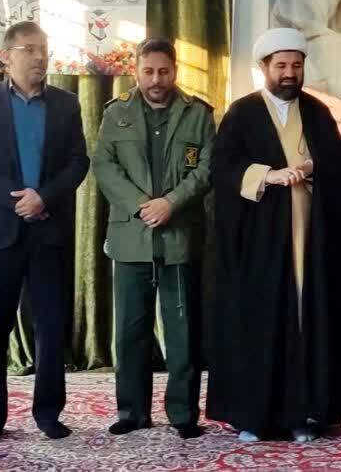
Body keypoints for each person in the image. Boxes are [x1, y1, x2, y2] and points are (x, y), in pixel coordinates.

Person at [207, 28, 341, 442]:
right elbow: (222, 169)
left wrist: (313, 168)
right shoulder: (242, 114)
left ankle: (303, 415)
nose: (290, 73)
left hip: (312, 242)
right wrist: (268, 176)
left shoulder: (317, 112)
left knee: (307, 323)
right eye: (281, 66)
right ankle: (255, 418)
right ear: (264, 68)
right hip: (261, 244)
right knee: (263, 325)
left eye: (296, 65)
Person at [0, 21, 89, 445]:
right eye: (29, 49)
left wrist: (43, 198)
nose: (39, 57)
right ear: (6, 57)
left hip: (48, 229)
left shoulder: (66, 104)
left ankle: (48, 414)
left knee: (50, 326)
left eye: (44, 49)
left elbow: (78, 161)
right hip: (2, 228)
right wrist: (13, 198)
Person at [95, 38, 215, 440]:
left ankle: (183, 414)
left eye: (163, 71)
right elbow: (104, 165)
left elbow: (206, 170)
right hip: (132, 237)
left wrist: (170, 203)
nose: (156, 80)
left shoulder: (198, 114)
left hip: (179, 237)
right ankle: (132, 411)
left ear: (175, 70)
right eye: (148, 71)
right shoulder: (116, 113)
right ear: (136, 71)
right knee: (130, 331)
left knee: (183, 332)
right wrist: (142, 205)